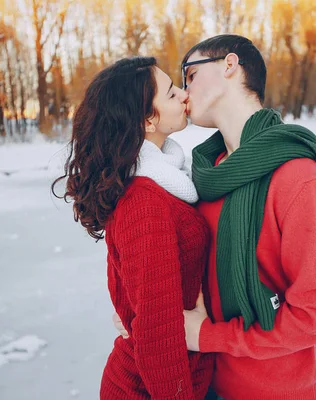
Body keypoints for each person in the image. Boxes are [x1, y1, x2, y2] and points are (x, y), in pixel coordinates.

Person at [115, 34, 316, 400]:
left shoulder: (297, 177)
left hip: (279, 391)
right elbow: (177, 271)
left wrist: (208, 336)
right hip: (206, 383)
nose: (184, 93)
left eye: (189, 75)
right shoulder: (202, 178)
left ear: (230, 66)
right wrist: (136, 314)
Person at [53, 56, 214, 399]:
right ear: (146, 119)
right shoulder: (144, 201)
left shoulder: (163, 180)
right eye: (172, 94)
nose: (185, 96)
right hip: (146, 389)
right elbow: (158, 330)